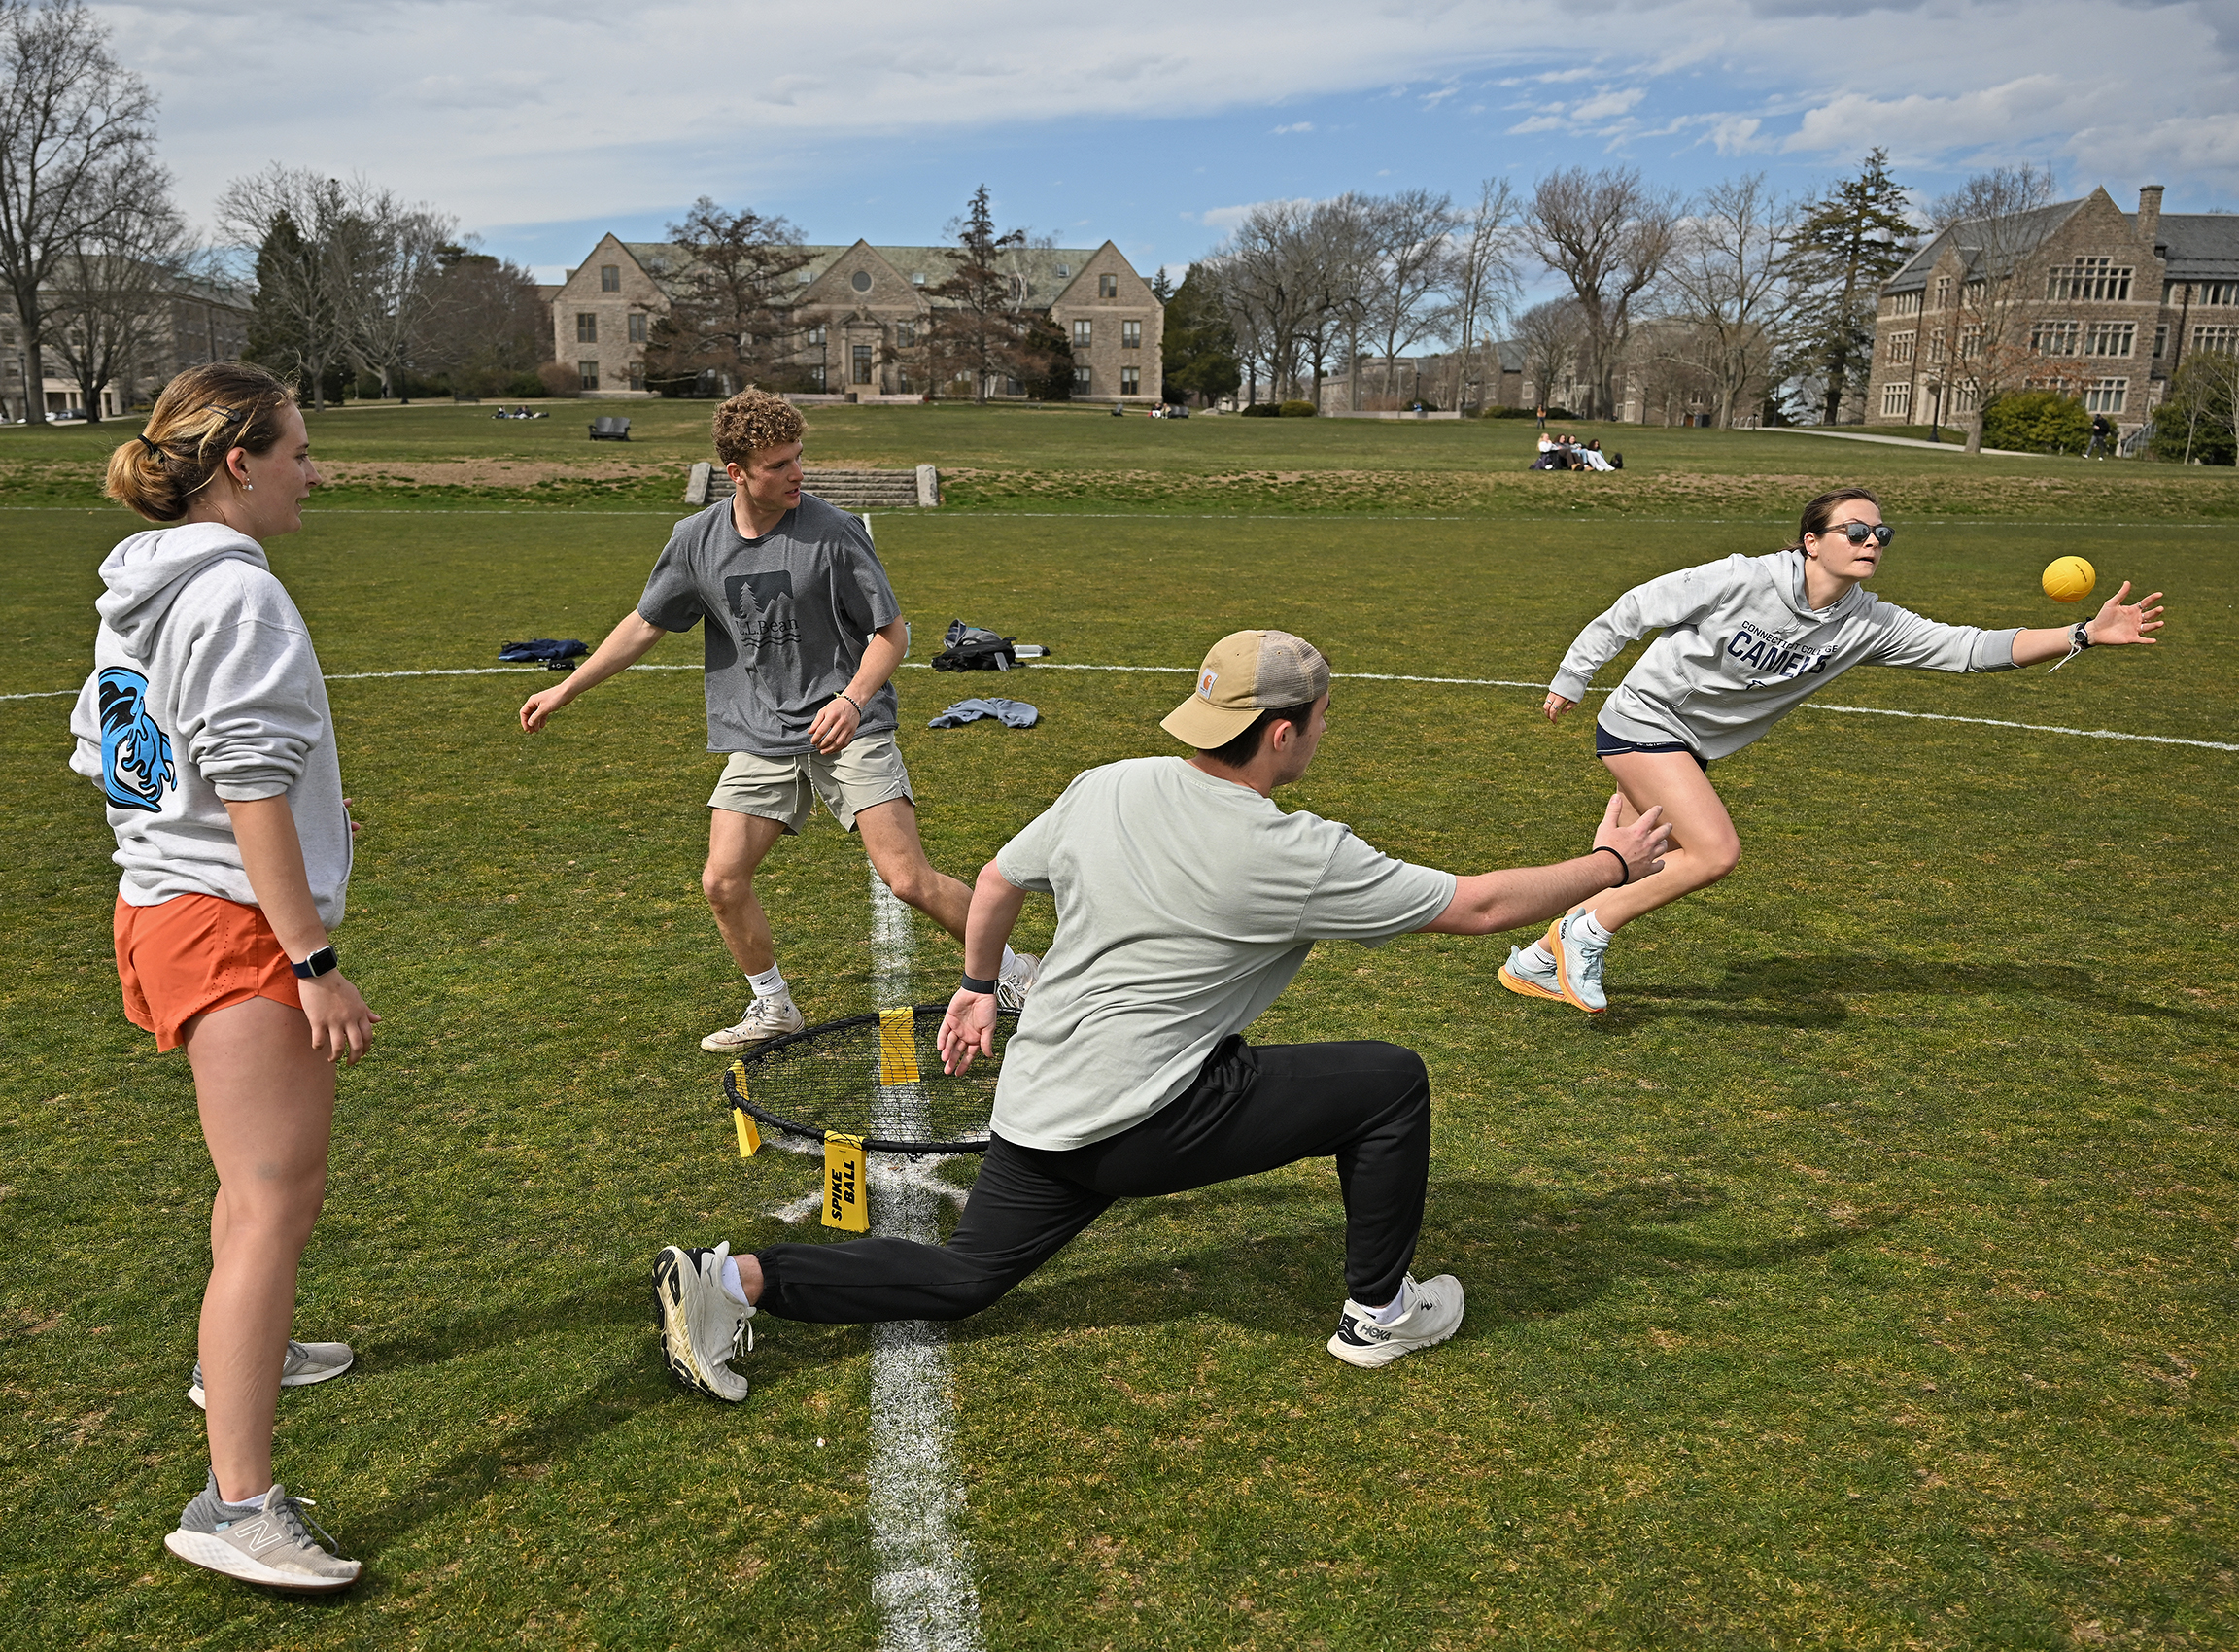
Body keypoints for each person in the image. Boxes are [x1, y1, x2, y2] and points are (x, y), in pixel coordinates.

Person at [647, 630, 1671, 1398]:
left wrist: (976, 984)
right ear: (1282, 731)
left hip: (1041, 1101)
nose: (1323, 731)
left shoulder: (1107, 784)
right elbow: (1481, 906)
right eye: (1320, 717)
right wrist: (1615, 864)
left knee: (966, 1277)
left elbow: (999, 878)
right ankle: (1381, 1312)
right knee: (1389, 1080)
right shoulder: (1294, 850)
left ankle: (729, 1282)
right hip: (1141, 1119)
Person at [71, 362, 373, 1591]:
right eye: (299, 448)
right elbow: (247, 785)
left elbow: (113, 747)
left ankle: (241, 1353)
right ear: (239, 462)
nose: (314, 468)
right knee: (269, 1199)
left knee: (251, 1193)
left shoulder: (139, 586)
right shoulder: (236, 594)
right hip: (230, 922)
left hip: (159, 905)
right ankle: (233, 1500)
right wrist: (312, 960)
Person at [1500, 487, 2166, 1015]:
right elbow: (1633, 609)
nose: (1872, 540)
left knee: (1635, 861)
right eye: (1855, 530)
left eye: (1881, 533)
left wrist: (2079, 633)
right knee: (1712, 854)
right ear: (1813, 542)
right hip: (1645, 720)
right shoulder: (1743, 578)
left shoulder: (1870, 623)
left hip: (1694, 746)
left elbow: (1970, 649)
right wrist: (1572, 676)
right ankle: (1581, 934)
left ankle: (1534, 960)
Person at [519, 390, 1035, 1051]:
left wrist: (850, 701)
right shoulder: (696, 542)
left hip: (851, 723)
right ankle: (773, 1006)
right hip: (761, 732)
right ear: (737, 472)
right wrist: (567, 688)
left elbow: (892, 636)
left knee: (907, 879)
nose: (797, 474)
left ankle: (1018, 972)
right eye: (778, 465)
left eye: (799, 458)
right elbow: (646, 623)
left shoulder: (834, 531)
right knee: (722, 881)